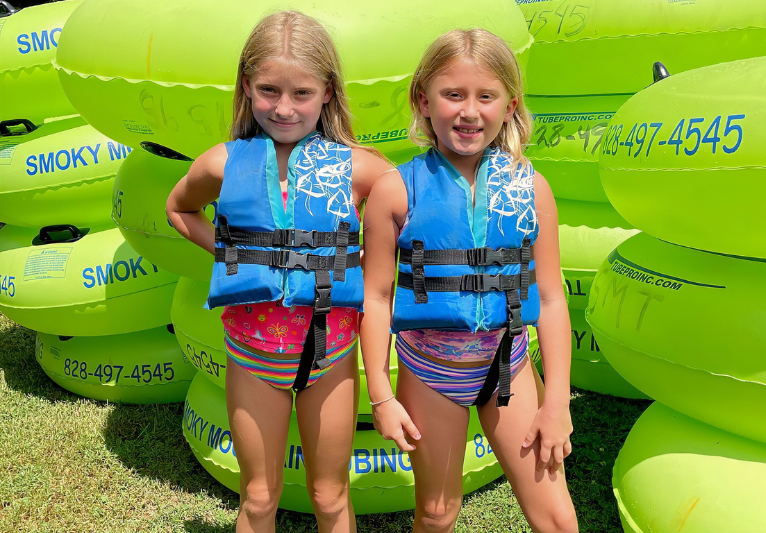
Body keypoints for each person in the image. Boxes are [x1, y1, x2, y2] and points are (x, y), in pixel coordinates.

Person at [166, 11, 392, 533]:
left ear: (329, 92)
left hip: (330, 354)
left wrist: (369, 265)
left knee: (330, 496)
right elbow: (179, 209)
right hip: (252, 355)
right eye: (268, 90)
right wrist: (231, 252)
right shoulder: (221, 163)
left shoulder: (360, 168)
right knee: (259, 497)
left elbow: (414, 224)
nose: (283, 108)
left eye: (302, 93)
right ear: (246, 87)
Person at [361, 29, 579, 533]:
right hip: (430, 370)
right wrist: (381, 395)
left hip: (509, 366)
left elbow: (549, 295)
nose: (469, 111)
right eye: (452, 94)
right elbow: (375, 296)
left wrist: (557, 401)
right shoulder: (396, 190)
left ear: (510, 105)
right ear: (423, 99)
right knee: (437, 515)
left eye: (486, 96)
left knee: (558, 518)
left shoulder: (531, 188)